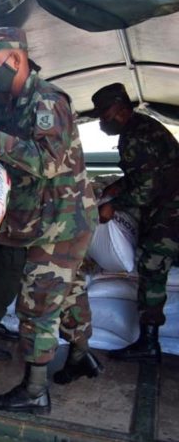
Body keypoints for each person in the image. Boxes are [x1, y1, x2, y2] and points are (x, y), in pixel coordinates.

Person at [0, 27, 102, 414]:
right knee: (71, 290)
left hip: (60, 218)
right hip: (40, 217)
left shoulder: (47, 101)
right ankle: (80, 357)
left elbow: (49, 161)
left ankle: (35, 390)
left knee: (38, 304)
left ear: (16, 58)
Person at [91, 83, 179, 364]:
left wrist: (112, 206)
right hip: (169, 205)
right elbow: (141, 175)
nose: (102, 122)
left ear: (119, 110)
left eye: (104, 116)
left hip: (169, 211)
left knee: (152, 269)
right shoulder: (143, 127)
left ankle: (149, 342)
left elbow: (146, 188)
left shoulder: (135, 136)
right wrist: (116, 188)